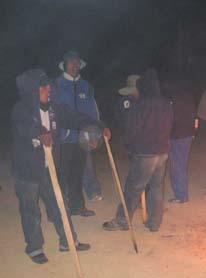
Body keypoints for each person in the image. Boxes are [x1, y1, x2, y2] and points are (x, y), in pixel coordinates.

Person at [11, 69, 111, 264]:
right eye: (44, 86)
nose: (49, 89)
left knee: (60, 205)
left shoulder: (55, 109)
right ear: (33, 90)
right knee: (30, 209)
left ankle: (68, 241)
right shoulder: (21, 109)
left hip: (49, 168)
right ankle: (34, 247)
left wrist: (98, 125)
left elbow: (77, 118)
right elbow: (24, 126)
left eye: (48, 85)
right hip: (27, 171)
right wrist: (40, 132)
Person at [103, 69, 173, 232]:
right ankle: (154, 222)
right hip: (162, 152)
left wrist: (130, 146)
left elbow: (132, 130)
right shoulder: (165, 103)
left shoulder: (140, 105)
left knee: (133, 188)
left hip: (144, 152)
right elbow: (170, 125)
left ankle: (122, 220)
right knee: (156, 187)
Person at [54, 51, 101, 216]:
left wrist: (94, 135)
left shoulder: (86, 86)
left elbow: (92, 112)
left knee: (78, 173)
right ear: (64, 65)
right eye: (71, 62)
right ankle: (60, 209)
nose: (75, 65)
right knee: (62, 174)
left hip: (82, 138)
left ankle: (77, 206)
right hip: (63, 138)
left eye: (77, 63)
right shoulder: (56, 85)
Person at [163, 79, 197, 203]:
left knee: (177, 166)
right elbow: (194, 116)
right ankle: (182, 194)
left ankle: (181, 196)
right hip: (187, 135)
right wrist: (193, 131)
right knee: (181, 164)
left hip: (177, 136)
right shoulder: (189, 97)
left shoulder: (172, 99)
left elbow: (171, 118)